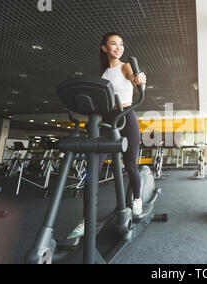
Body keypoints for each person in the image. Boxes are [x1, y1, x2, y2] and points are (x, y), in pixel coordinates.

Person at [67, 32, 147, 239]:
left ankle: (137, 201)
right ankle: (86, 220)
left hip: (126, 115)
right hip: (106, 119)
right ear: (104, 48)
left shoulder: (125, 66)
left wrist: (140, 79)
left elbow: (136, 80)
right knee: (92, 171)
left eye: (121, 44)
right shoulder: (103, 74)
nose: (118, 47)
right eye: (113, 44)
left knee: (130, 166)